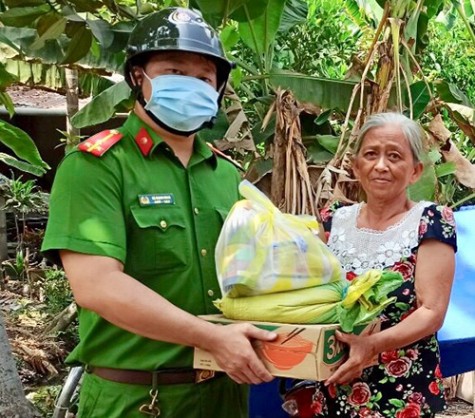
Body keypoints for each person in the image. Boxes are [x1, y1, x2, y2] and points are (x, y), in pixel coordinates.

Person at [41, 8, 276, 418]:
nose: (191, 85)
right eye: (173, 70)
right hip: (138, 399)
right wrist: (211, 338)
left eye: (204, 77)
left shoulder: (226, 176)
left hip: (225, 395)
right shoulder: (97, 166)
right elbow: (97, 286)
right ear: (138, 78)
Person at [303, 112, 457, 417]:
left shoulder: (431, 221)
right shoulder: (332, 219)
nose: (381, 165)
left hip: (401, 390)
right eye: (371, 154)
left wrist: (371, 344)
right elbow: (309, 293)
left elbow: (431, 311)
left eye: (395, 156)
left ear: (415, 171)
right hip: (335, 384)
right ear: (356, 165)